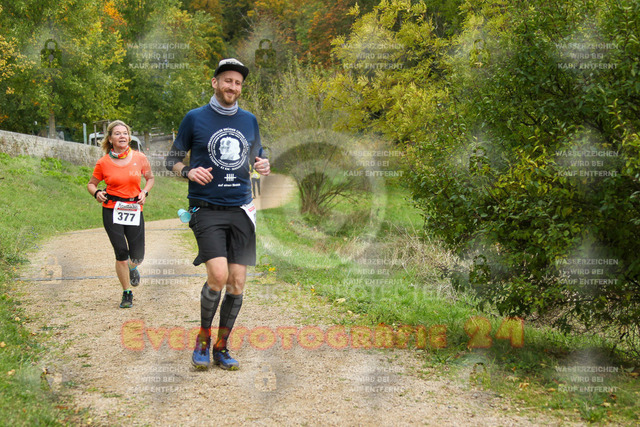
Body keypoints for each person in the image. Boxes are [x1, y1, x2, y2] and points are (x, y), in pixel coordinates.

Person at [165, 58, 270, 370]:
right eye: (227, 81)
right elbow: (171, 159)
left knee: (237, 282)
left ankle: (222, 347)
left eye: (238, 83)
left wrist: (264, 163)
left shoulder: (249, 120)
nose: (232, 87)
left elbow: (258, 155)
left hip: (241, 209)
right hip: (206, 208)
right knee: (219, 276)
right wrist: (187, 171)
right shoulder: (195, 118)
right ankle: (202, 339)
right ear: (215, 83)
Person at [87, 120, 154, 309]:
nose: (122, 136)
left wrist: (144, 192)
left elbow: (150, 178)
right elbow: (91, 184)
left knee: (138, 256)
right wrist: (96, 193)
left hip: (133, 209)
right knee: (121, 253)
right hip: (111, 209)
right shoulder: (103, 162)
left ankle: (133, 268)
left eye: (124, 133)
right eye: (117, 133)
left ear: (129, 137)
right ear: (110, 139)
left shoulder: (139, 157)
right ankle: (127, 292)